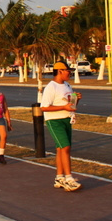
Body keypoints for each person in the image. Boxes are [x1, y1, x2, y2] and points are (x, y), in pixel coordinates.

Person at [40, 62, 82, 191]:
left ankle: (60, 177)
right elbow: (44, 107)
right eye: (67, 71)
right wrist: (63, 107)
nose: (69, 73)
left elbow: (71, 105)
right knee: (66, 147)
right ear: (59, 71)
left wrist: (76, 99)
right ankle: (68, 178)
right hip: (54, 120)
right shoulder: (51, 87)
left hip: (66, 119)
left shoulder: (67, 85)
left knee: (60, 148)